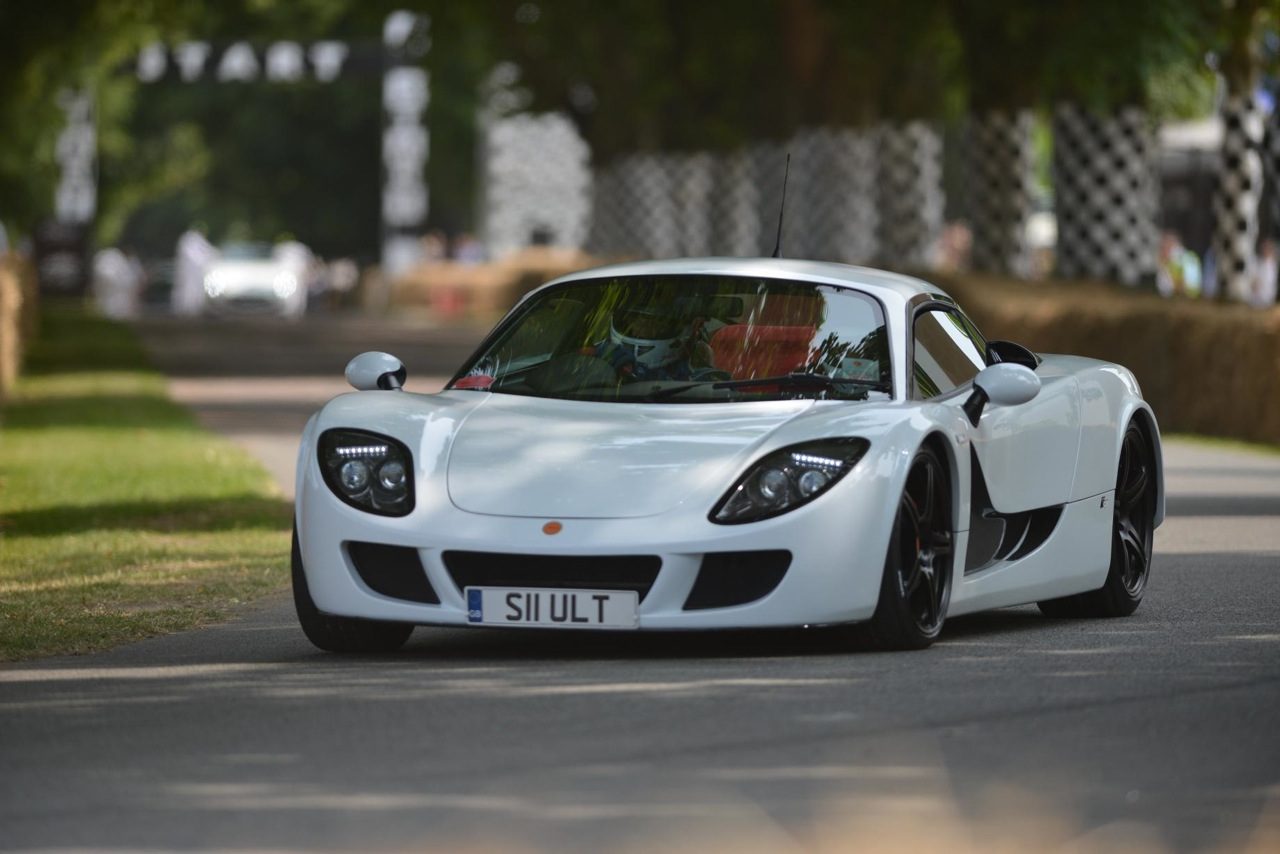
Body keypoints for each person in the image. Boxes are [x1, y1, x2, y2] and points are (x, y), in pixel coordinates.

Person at [590, 304, 716, 382]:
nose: (644, 328)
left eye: (659, 322)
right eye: (635, 319)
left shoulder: (696, 365)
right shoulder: (600, 353)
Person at [173, 227, 216, 317]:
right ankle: (188, 308)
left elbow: (205, 250)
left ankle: (192, 307)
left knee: (192, 289)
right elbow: (199, 254)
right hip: (191, 273)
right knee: (189, 289)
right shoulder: (191, 240)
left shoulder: (190, 240)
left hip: (193, 273)